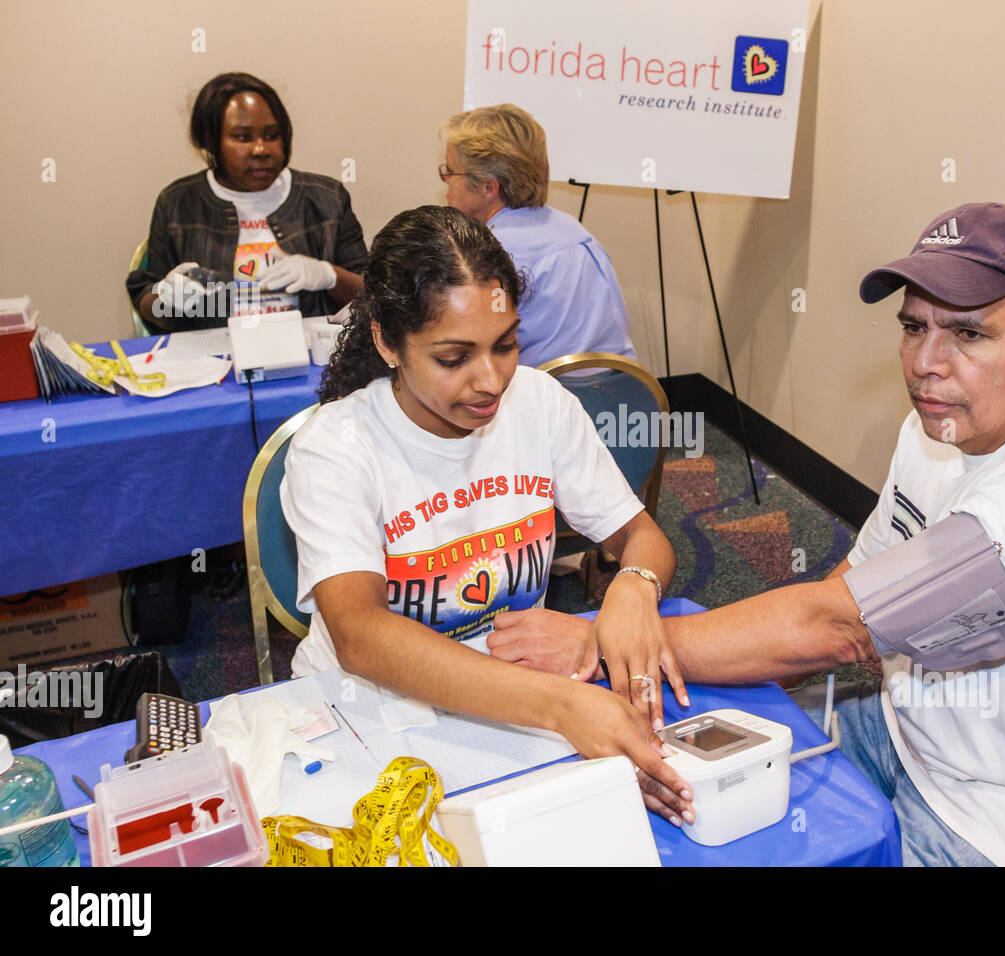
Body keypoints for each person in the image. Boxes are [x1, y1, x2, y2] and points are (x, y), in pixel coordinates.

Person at [491, 202, 1005, 865]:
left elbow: (841, 629)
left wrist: (603, 643)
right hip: (907, 736)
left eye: (969, 334)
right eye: (915, 328)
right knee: (655, 790)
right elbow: (847, 588)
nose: (924, 362)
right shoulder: (937, 429)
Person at [280, 205, 693, 819]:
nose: (491, 381)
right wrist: (557, 706)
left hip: (515, 695)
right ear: (387, 342)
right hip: (370, 709)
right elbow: (361, 639)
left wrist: (634, 585)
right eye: (454, 358)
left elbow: (641, 536)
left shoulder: (539, 402)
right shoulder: (337, 448)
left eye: (505, 345)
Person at [126, 72, 367, 333]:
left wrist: (328, 275)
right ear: (210, 142)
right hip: (213, 358)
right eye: (243, 138)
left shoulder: (326, 198)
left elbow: (373, 294)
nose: (261, 149)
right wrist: (168, 300)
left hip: (312, 354)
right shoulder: (178, 203)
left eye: (272, 136)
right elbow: (147, 299)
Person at [440, 103, 636, 366]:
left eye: (450, 171)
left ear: (488, 187)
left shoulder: (484, 256)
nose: (446, 181)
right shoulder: (579, 235)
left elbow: (462, 354)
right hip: (620, 394)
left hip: (542, 401)